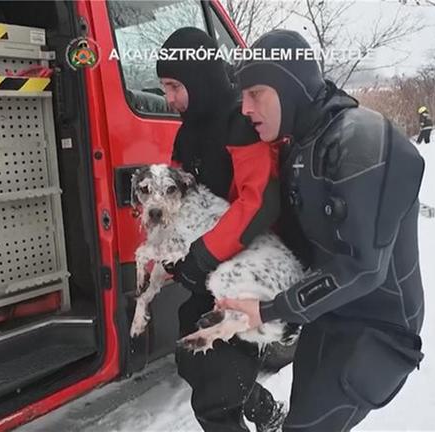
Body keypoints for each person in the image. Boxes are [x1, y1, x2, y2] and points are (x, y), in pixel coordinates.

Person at [218, 30, 425, 432]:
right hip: (328, 313)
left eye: (256, 93)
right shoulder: (300, 143)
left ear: (290, 86)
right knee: (300, 422)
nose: (245, 108)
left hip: (379, 327)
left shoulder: (361, 139)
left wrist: (269, 309)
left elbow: (363, 268)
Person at [155, 27, 286, 432]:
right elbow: (180, 198)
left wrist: (204, 253)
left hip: (247, 271)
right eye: (164, 88)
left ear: (199, 78)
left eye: (175, 86)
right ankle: (264, 409)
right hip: (211, 272)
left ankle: (251, 410)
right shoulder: (187, 131)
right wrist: (170, 248)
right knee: (198, 353)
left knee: (213, 379)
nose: (169, 98)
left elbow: (259, 200)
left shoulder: (240, 125)